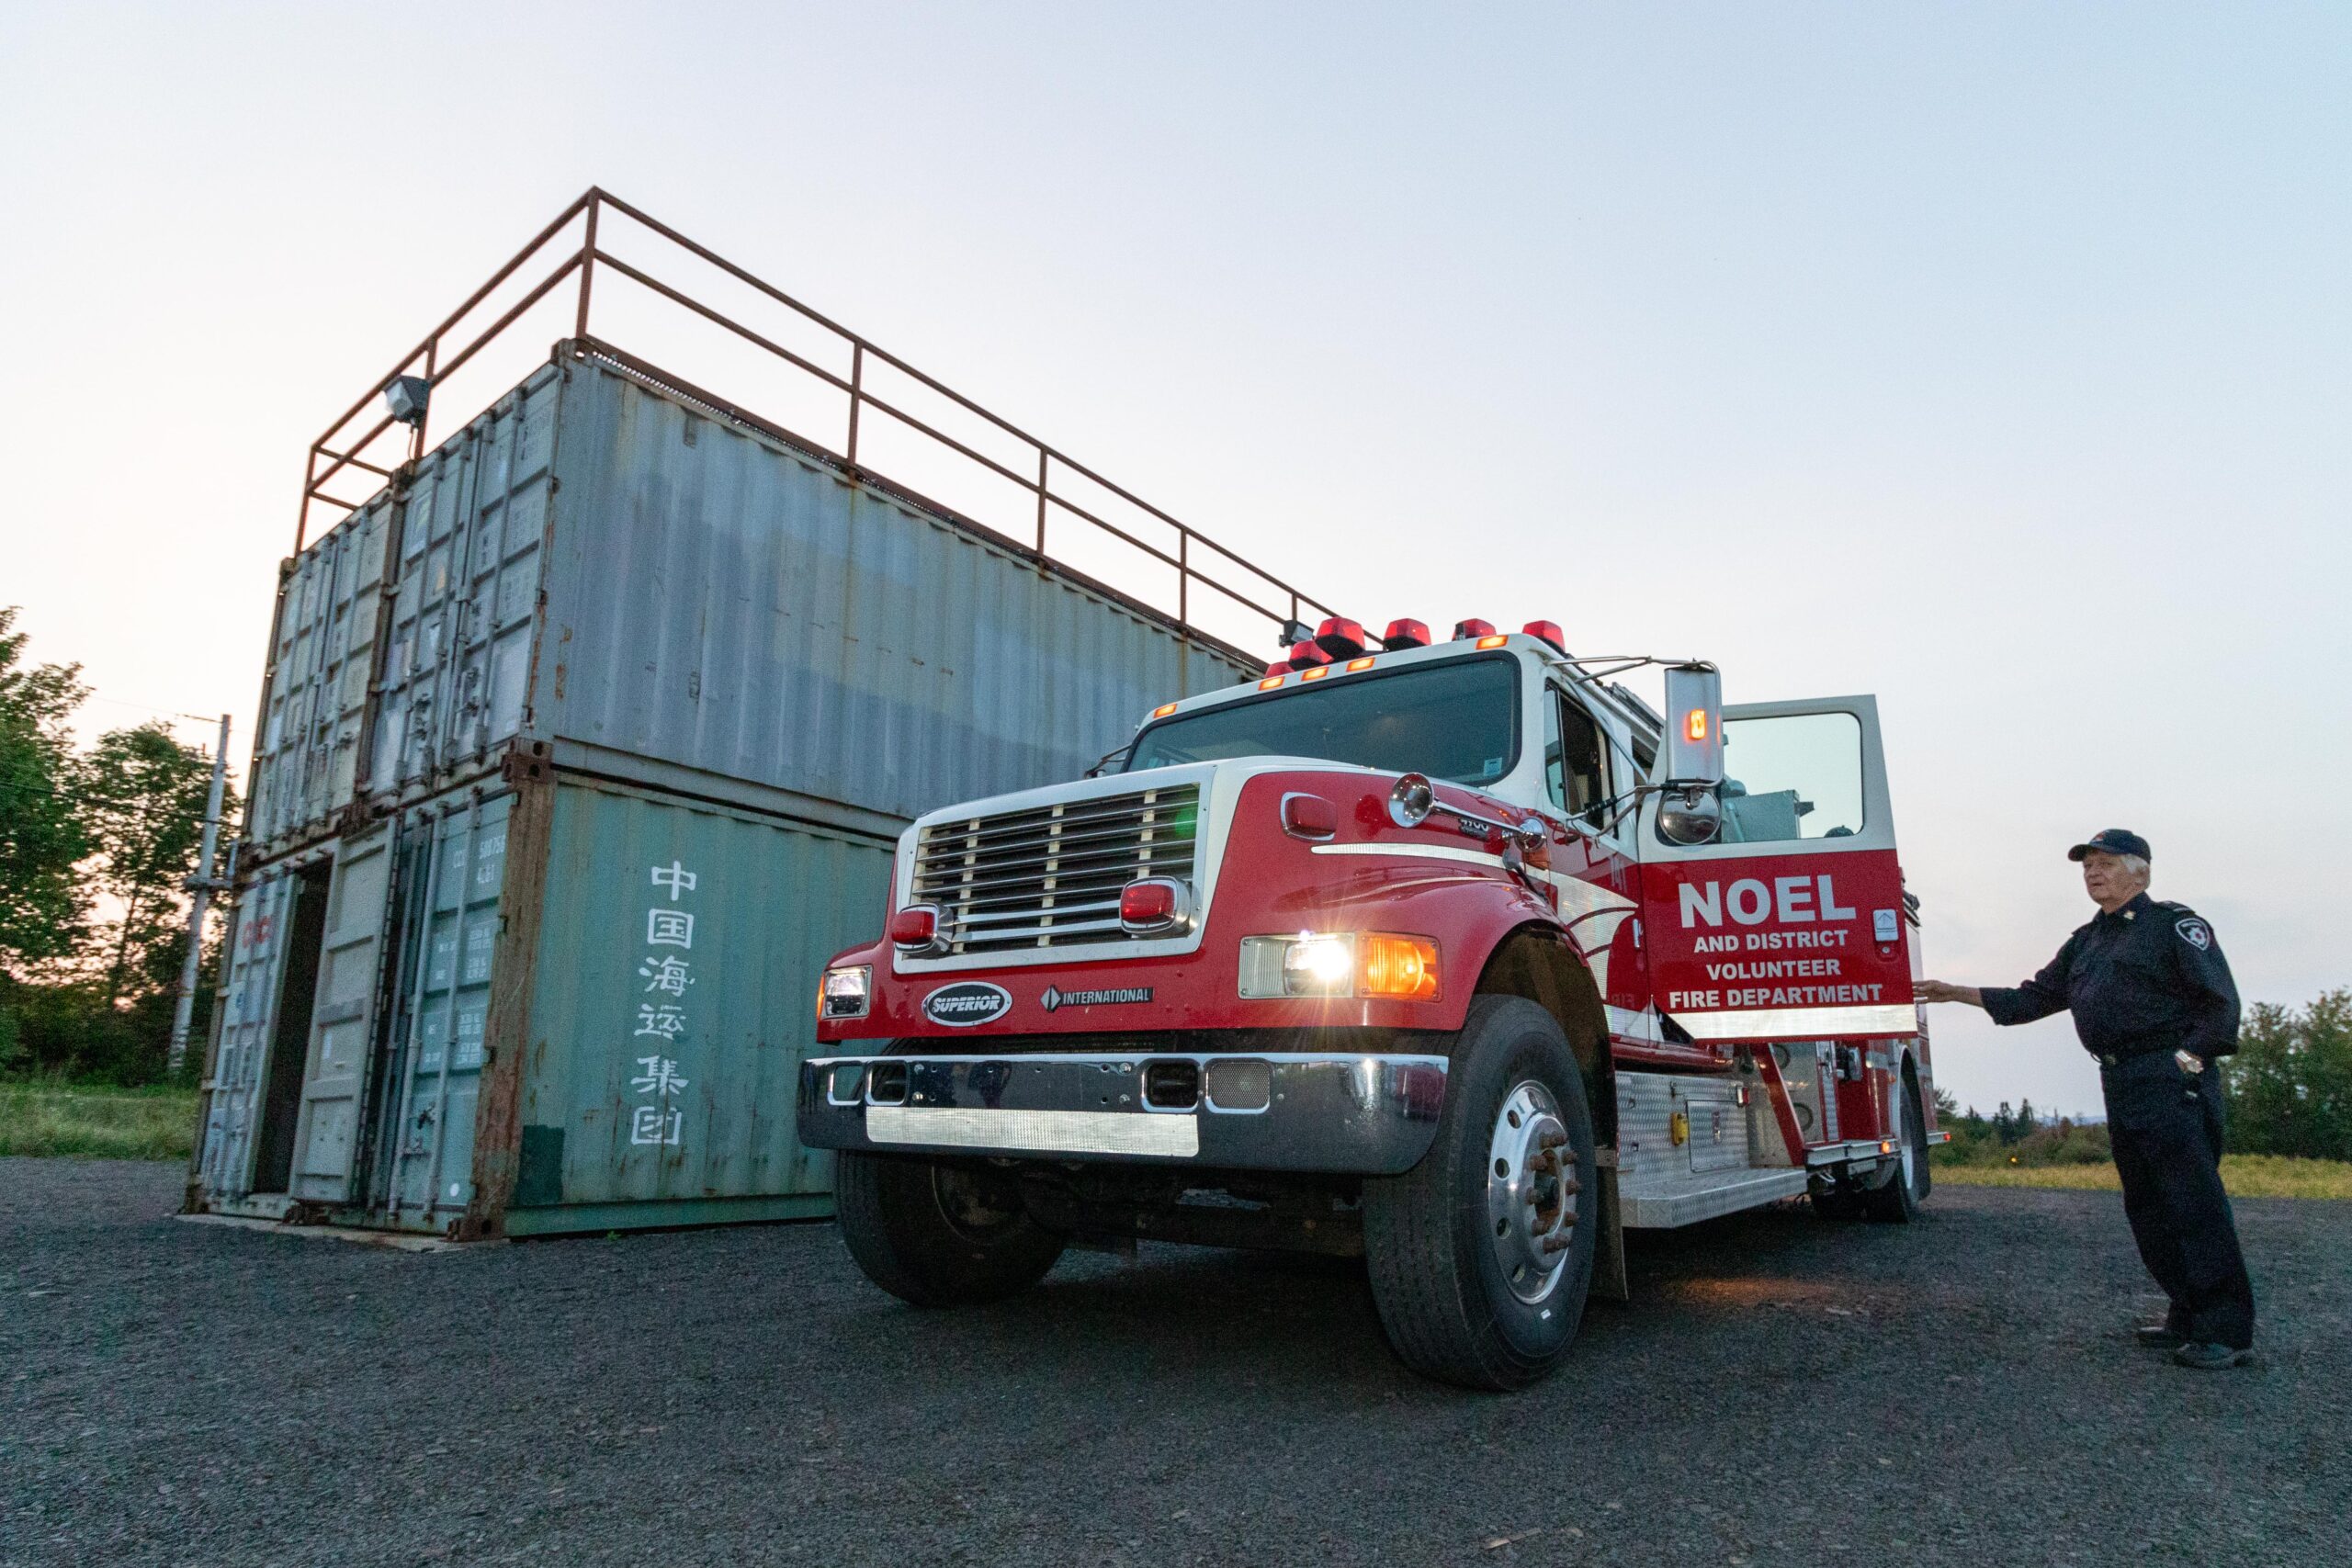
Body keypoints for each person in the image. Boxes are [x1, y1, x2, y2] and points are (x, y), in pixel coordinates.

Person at [1917, 829, 2255, 1370]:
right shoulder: (2087, 941)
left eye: (2105, 863)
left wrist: (2188, 1061)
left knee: (2193, 1204)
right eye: (2086, 866)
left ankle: (2227, 1331)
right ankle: (2188, 1315)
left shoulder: (2173, 925)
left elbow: (2220, 1003)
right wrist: (1957, 992)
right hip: (2120, 1081)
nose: (2092, 873)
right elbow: (2035, 998)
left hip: (2168, 1078)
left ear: (2140, 871)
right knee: (2148, 1206)